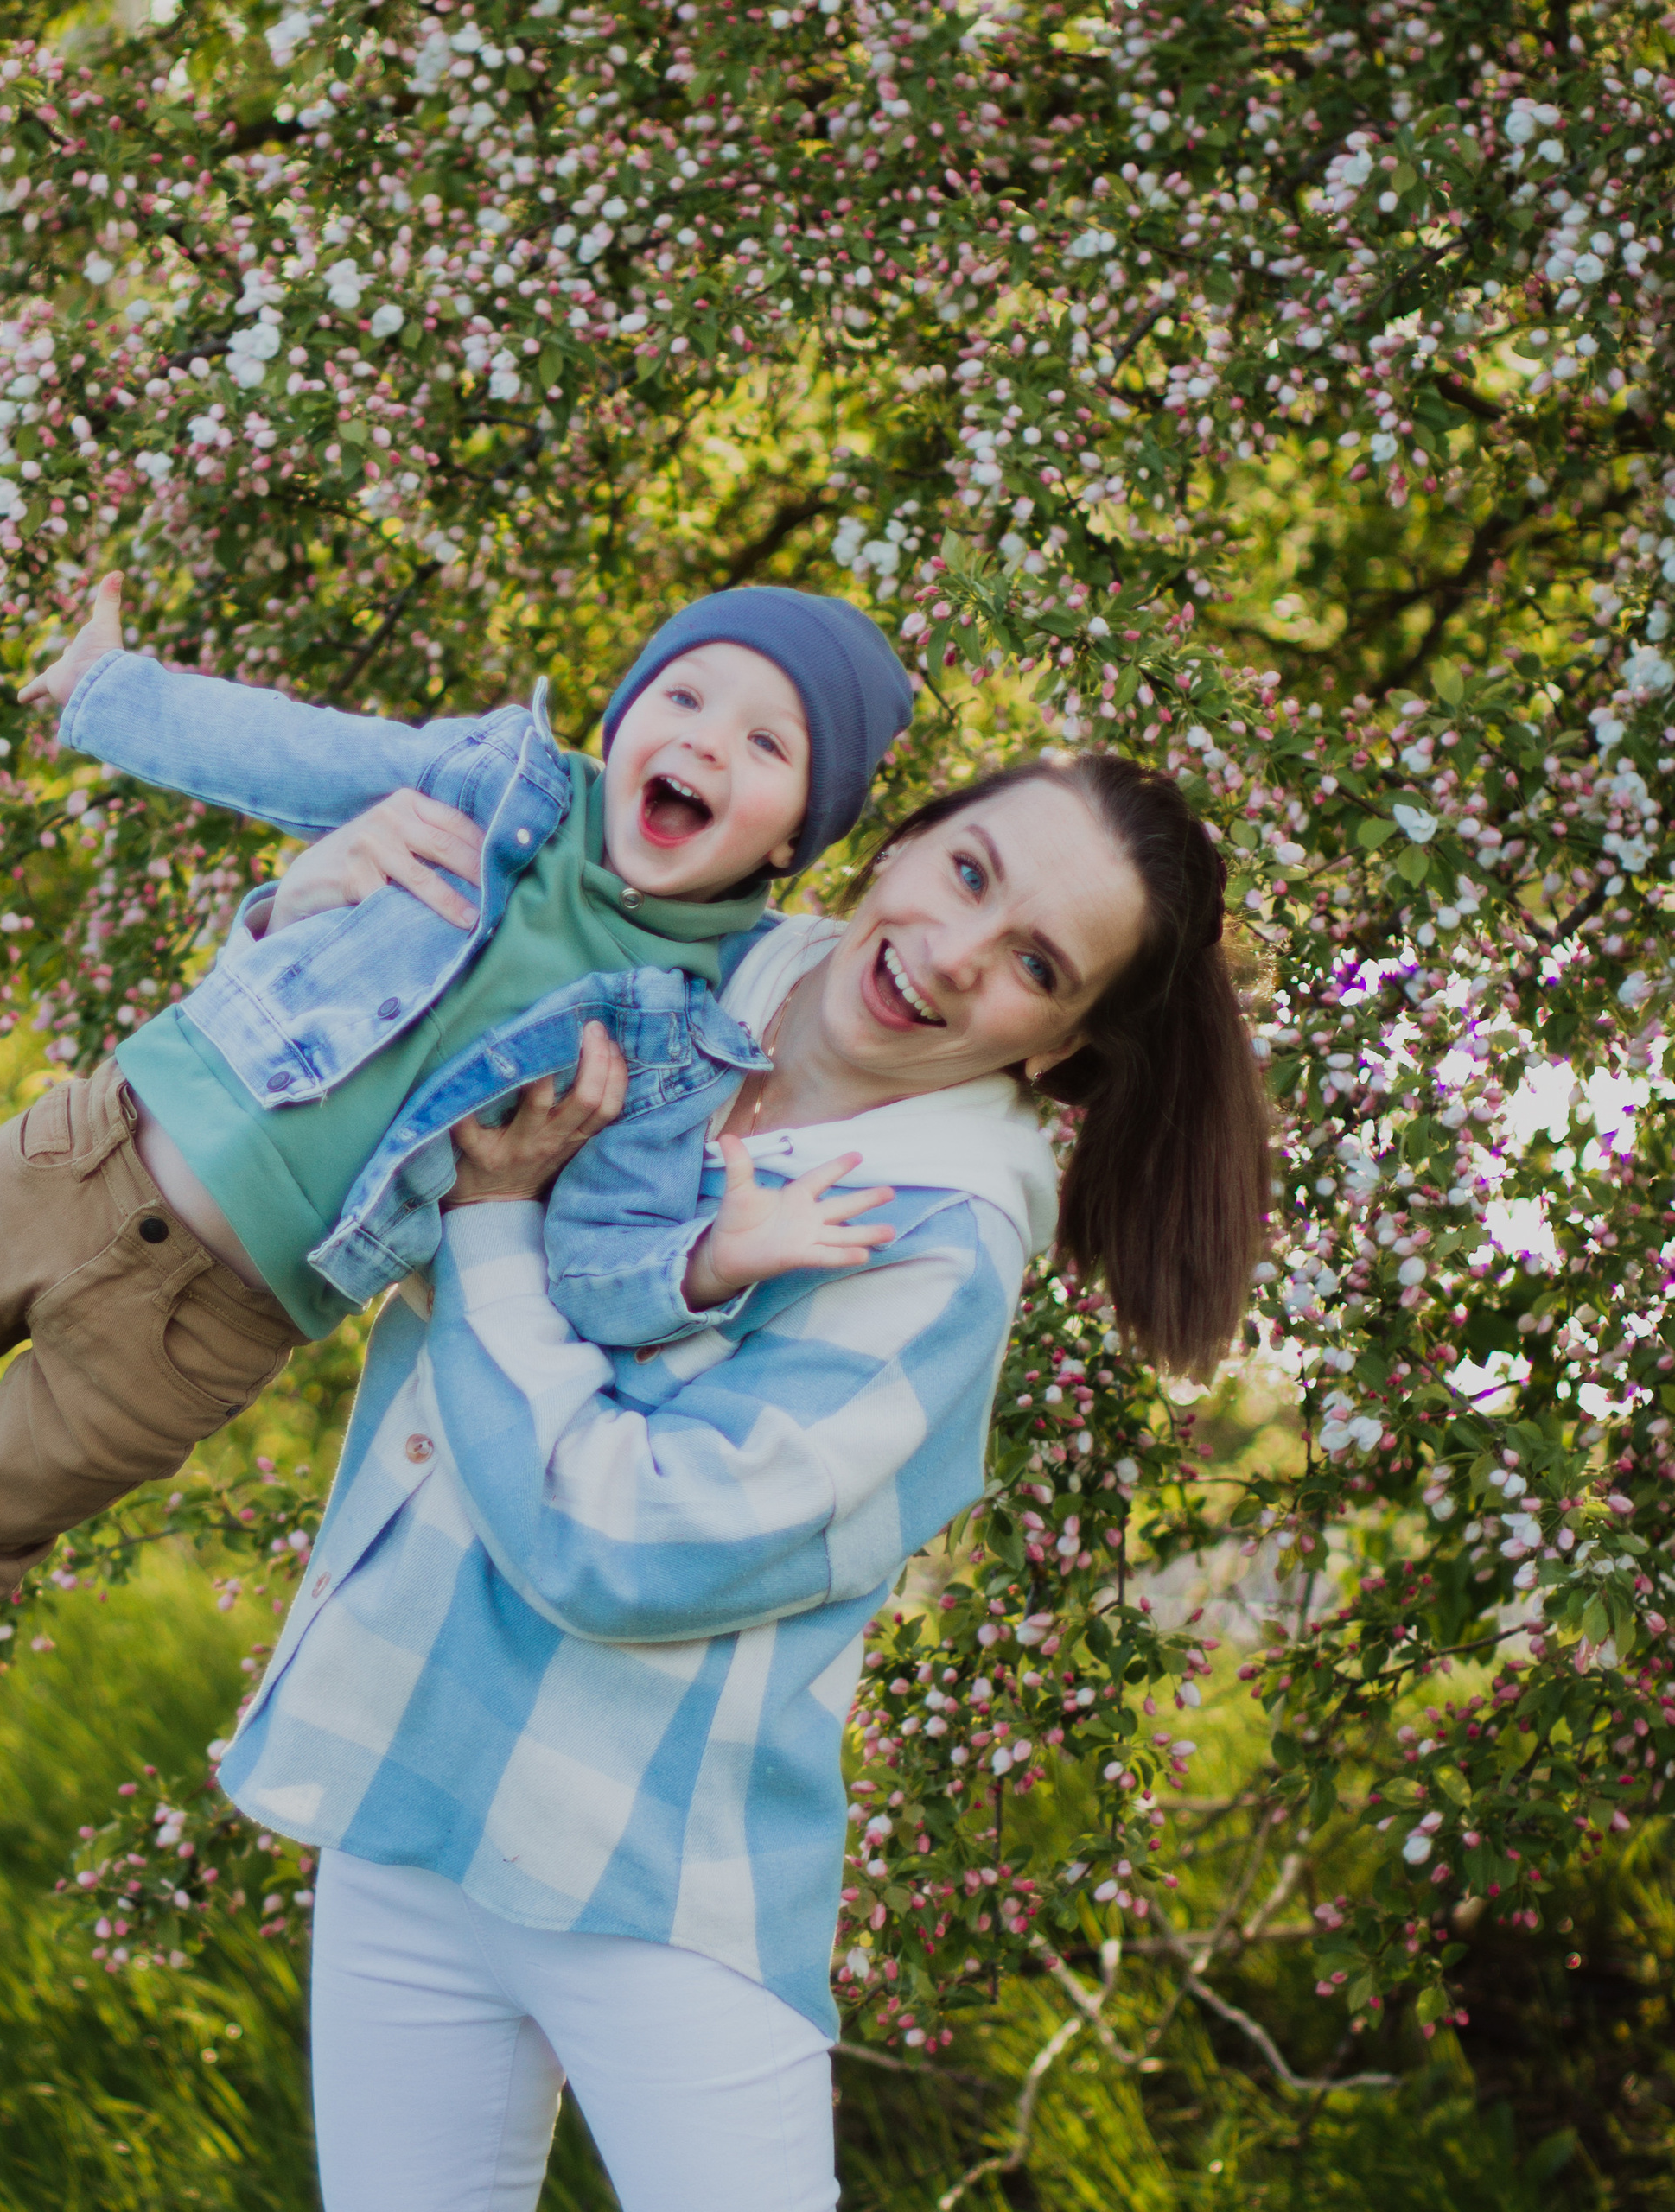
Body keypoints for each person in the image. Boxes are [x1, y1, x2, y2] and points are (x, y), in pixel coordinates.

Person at [0, 578, 914, 1861]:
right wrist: (108, 690)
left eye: (767, 745)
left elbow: (602, 1272)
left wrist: (720, 1256)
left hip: (217, 1320)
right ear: (625, 708)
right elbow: (286, 751)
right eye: (685, 693)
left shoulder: (681, 1046)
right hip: (96, 1147)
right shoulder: (495, 784)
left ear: (797, 838)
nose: (708, 740)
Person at [217, 754, 1271, 2212]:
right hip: (409, 1768)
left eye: (1035, 963)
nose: (957, 956)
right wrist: (304, 921)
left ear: (1064, 1050)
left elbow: (624, 1544)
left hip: (649, 1870)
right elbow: (332, 1136)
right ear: (902, 845)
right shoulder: (679, 965)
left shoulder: (937, 1250)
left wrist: (495, 1227)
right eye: (969, 872)